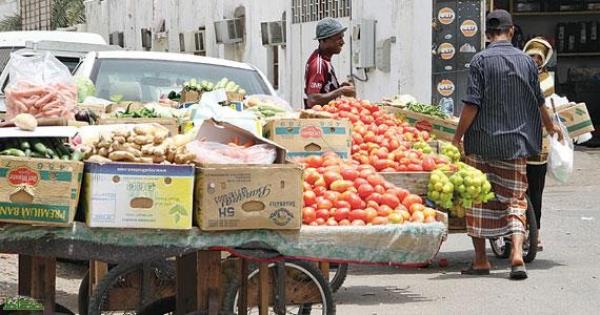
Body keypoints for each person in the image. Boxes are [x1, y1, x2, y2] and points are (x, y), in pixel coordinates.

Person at [452, 10, 561, 280]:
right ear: (511, 31)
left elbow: (472, 104)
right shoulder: (526, 62)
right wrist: (550, 127)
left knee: (477, 199)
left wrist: (457, 137)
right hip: (516, 143)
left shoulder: (479, 60)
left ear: (487, 34)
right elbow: (539, 101)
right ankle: (515, 254)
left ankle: (480, 260)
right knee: (514, 200)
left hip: (482, 142)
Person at [523, 37, 555, 251]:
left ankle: (536, 233)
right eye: (531, 56)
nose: (535, 60)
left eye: (538, 57)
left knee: (536, 191)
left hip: (539, 144)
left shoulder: (546, 80)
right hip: (518, 140)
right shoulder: (517, 74)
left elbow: (546, 107)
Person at [304, 17, 355, 109]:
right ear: (324, 40)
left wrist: (338, 87)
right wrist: (340, 91)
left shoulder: (324, 60)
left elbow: (323, 91)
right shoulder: (318, 64)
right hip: (319, 120)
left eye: (342, 37)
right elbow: (312, 100)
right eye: (339, 38)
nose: (342, 42)